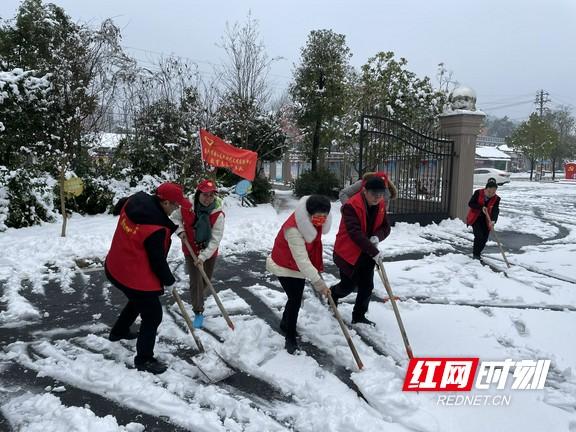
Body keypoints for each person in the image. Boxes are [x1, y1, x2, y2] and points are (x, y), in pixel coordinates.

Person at [105, 182, 185, 374]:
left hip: (115, 266)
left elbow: (122, 206)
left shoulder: (135, 201)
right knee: (153, 314)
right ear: (165, 202)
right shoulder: (156, 229)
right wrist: (169, 281)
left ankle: (119, 331)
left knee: (138, 301)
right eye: (174, 205)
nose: (176, 208)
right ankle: (144, 359)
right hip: (133, 276)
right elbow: (157, 261)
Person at [266, 195, 332, 354]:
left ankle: (285, 323)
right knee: (295, 299)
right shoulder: (293, 229)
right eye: (318, 216)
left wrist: (315, 271)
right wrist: (319, 282)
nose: (321, 220)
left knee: (295, 297)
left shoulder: (313, 222)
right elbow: (302, 260)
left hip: (297, 265)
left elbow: (311, 249)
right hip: (284, 265)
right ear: (309, 214)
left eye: (325, 216)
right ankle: (290, 337)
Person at [331, 176, 391, 326]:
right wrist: (374, 251)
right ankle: (333, 294)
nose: (378, 197)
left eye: (381, 193)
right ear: (364, 191)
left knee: (367, 286)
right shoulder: (351, 206)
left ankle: (359, 316)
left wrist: (377, 237)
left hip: (366, 252)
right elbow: (355, 233)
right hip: (347, 252)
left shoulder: (381, 205)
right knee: (348, 287)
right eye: (374, 193)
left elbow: (386, 227)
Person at [173, 179, 225, 329]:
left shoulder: (218, 214)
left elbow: (215, 239)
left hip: (209, 252)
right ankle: (198, 310)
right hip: (190, 249)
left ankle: (197, 295)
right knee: (196, 281)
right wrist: (180, 231)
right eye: (205, 195)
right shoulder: (186, 206)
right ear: (198, 194)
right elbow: (176, 219)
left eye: (211, 195)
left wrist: (203, 256)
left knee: (205, 280)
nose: (208, 198)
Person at [466, 178, 501, 260]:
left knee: (484, 239)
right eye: (489, 191)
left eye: (493, 192)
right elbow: (471, 204)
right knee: (479, 236)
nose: (491, 194)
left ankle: (478, 252)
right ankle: (476, 254)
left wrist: (493, 220)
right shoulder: (478, 193)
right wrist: (481, 207)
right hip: (476, 218)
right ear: (486, 189)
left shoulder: (497, 199)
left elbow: (496, 210)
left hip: (487, 220)